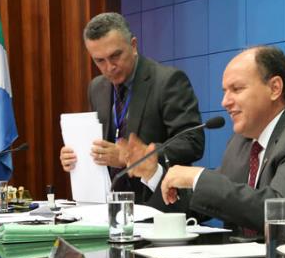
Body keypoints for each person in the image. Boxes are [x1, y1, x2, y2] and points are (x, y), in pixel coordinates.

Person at [142, 46, 285, 248]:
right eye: (224, 92)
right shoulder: (241, 141)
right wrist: (155, 175)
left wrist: (198, 177)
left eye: (236, 89)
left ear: (274, 88)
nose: (224, 102)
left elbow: (278, 211)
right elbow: (208, 203)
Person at [58, 12, 204, 200]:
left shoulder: (167, 81)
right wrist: (76, 156)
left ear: (133, 45)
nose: (109, 67)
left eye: (115, 55)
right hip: (109, 202)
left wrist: (131, 157)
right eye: (99, 60)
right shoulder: (96, 87)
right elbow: (102, 144)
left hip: (159, 200)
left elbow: (192, 142)